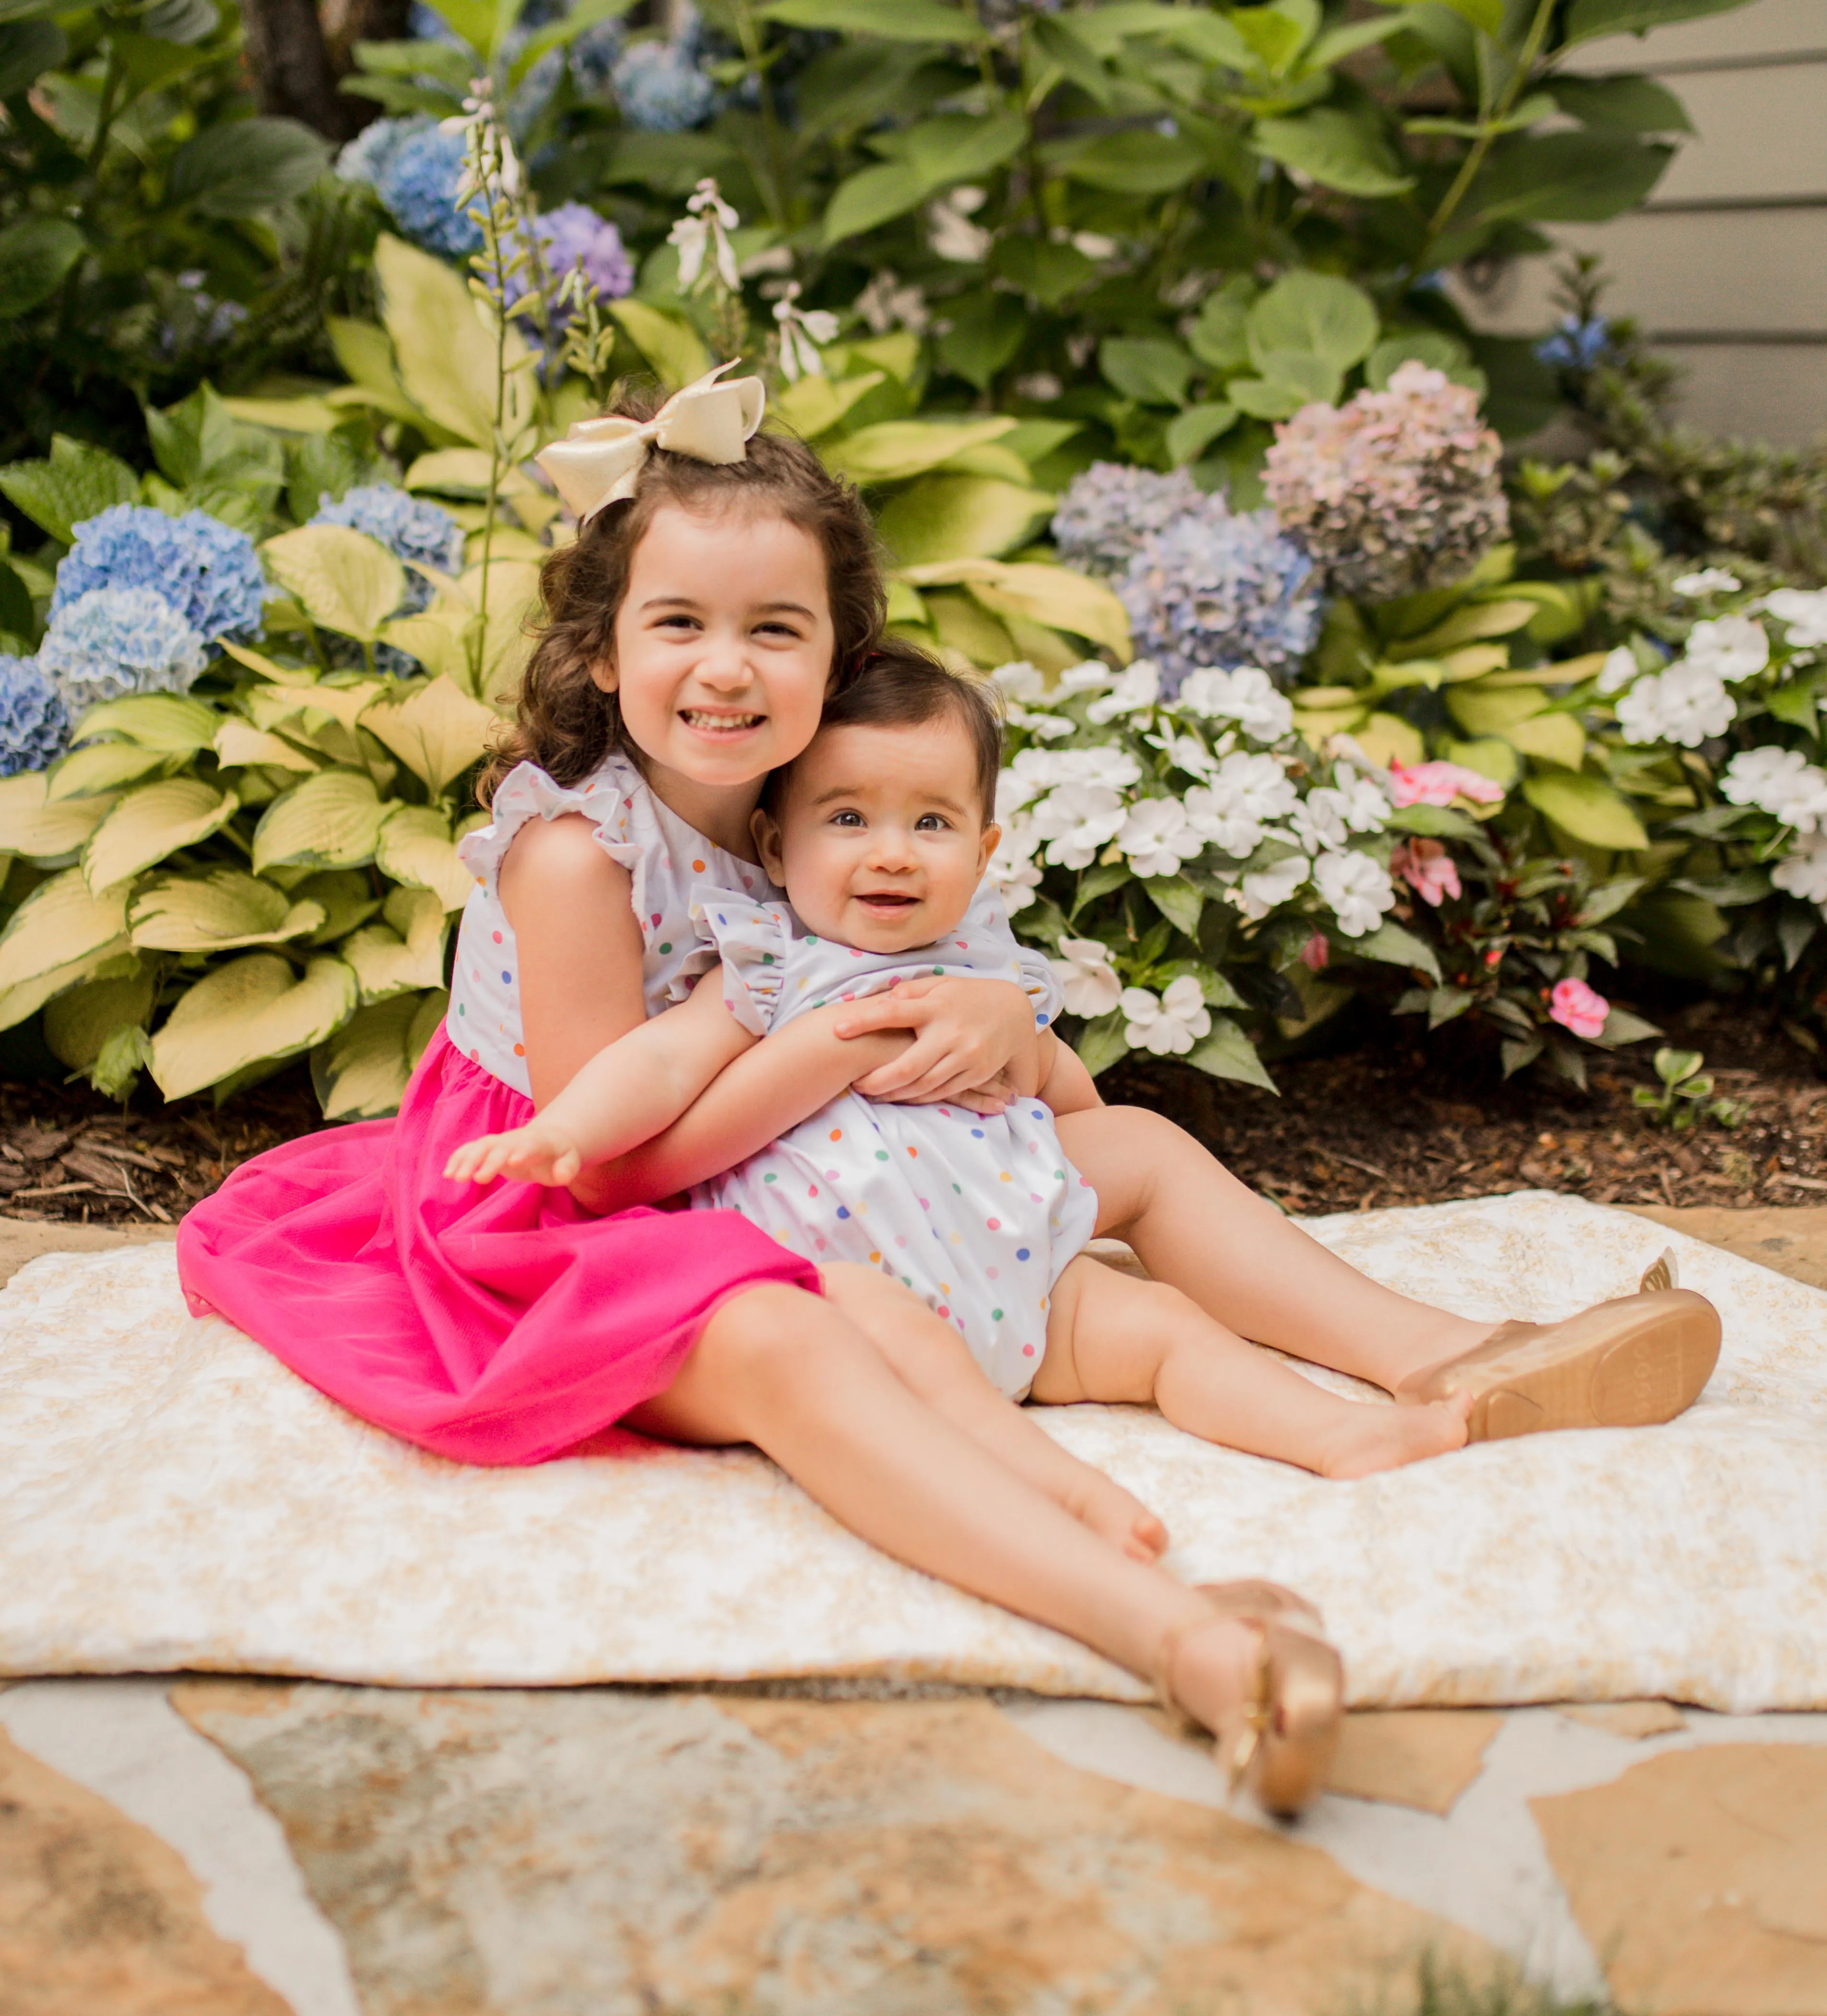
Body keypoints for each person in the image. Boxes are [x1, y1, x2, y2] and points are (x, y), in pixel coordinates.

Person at [177, 368, 1347, 1817]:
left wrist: (984, 1006)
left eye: (772, 629)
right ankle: (1177, 1636)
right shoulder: (578, 855)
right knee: (798, 1344)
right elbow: (606, 1170)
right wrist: (835, 1050)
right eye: (678, 623)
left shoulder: (808, 807)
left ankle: (1441, 1372)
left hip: (751, 1169)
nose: (726, 668)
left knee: (1115, 1150)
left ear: (839, 658)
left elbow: (907, 964)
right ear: (603, 653)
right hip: (553, 1219)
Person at [449, 641, 1723, 1486]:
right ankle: (1395, 1386)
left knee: (1165, 1307)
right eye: (850, 821)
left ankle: (1396, 1407)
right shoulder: (765, 968)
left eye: (930, 824)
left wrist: (1027, 1053)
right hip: (857, 1295)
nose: (891, 854)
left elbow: (1072, 1103)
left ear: (986, 847)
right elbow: (656, 1075)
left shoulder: (969, 960)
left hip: (1019, 1281)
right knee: (1136, 1231)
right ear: (778, 850)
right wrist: (560, 1135)